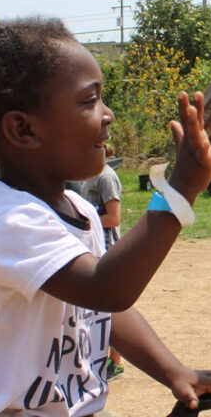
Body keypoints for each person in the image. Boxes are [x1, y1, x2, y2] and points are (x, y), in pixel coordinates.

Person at [0, 18, 211, 417]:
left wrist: (174, 371)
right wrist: (178, 190)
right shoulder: (6, 221)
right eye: (89, 100)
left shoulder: (78, 210)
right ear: (24, 129)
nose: (108, 114)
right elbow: (106, 289)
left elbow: (102, 309)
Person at [79, 142, 125, 381]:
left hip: (107, 251)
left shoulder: (106, 177)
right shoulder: (88, 177)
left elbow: (114, 218)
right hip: (92, 250)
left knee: (110, 308)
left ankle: (116, 362)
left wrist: (83, 221)